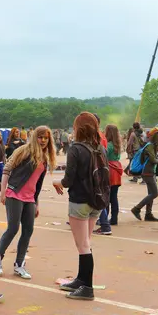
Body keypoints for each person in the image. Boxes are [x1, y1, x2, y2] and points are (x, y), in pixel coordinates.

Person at [53, 112, 108, 301]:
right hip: (97, 201)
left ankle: (87, 287)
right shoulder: (99, 148)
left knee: (82, 244)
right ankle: (81, 279)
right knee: (86, 242)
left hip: (80, 200)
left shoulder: (76, 148)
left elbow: (68, 180)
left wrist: (57, 183)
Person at [0, 126, 56, 280]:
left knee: (28, 230)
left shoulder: (45, 158)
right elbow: (7, 169)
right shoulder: (24, 150)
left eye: (46, 138)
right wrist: (3, 191)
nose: (43, 140)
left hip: (30, 198)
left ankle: (19, 264)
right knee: (13, 228)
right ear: (35, 137)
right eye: (40, 137)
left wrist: (37, 203)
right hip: (14, 193)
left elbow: (37, 184)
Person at [131, 127, 158, 222]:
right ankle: (136, 209)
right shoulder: (150, 146)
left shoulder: (155, 146)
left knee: (150, 194)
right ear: (154, 136)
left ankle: (148, 214)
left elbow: (157, 162)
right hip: (147, 172)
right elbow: (153, 160)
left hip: (151, 172)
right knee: (154, 194)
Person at [104, 124, 122, 226]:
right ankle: (114, 218)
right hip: (117, 170)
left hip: (109, 170)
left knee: (106, 197)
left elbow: (103, 157)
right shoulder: (117, 145)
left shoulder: (108, 145)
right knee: (114, 197)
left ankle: (104, 218)